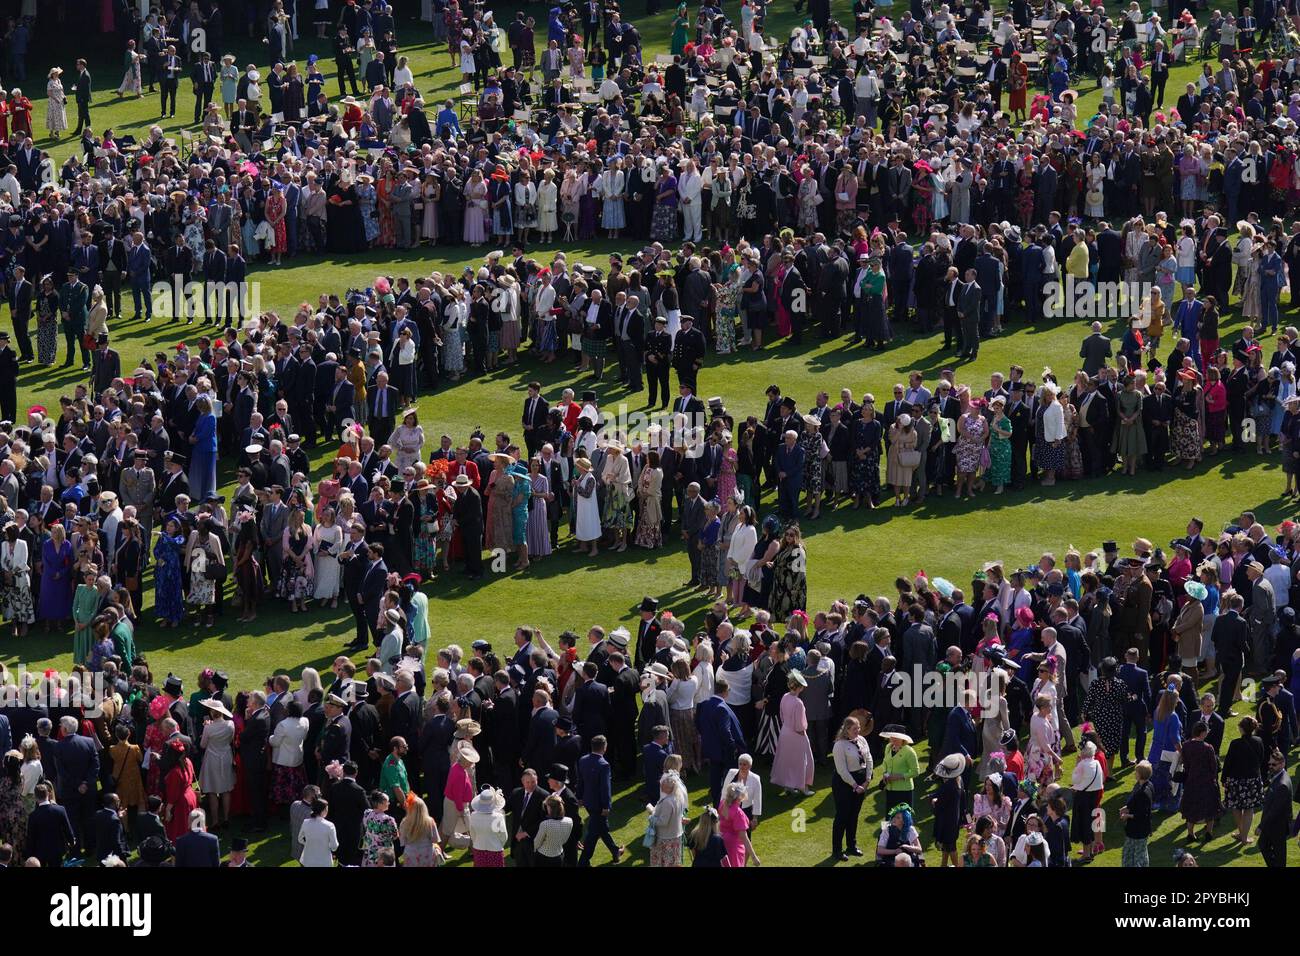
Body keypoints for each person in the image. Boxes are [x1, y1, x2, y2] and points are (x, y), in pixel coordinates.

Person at [830, 715, 872, 861]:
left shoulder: (862, 740)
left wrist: (867, 780)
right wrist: (855, 785)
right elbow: (842, 770)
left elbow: (869, 759)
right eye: (855, 729)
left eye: (859, 728)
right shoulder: (839, 745)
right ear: (846, 729)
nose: (858, 731)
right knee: (842, 816)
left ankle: (851, 846)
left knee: (854, 815)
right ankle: (837, 850)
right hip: (844, 784)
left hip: (861, 781)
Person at [770, 670, 815, 796]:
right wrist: (802, 733)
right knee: (803, 761)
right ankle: (803, 788)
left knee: (787, 760)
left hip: (785, 732)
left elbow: (782, 715)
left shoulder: (785, 696)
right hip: (796, 735)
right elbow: (800, 725)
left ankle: (789, 786)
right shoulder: (798, 703)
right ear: (799, 687)